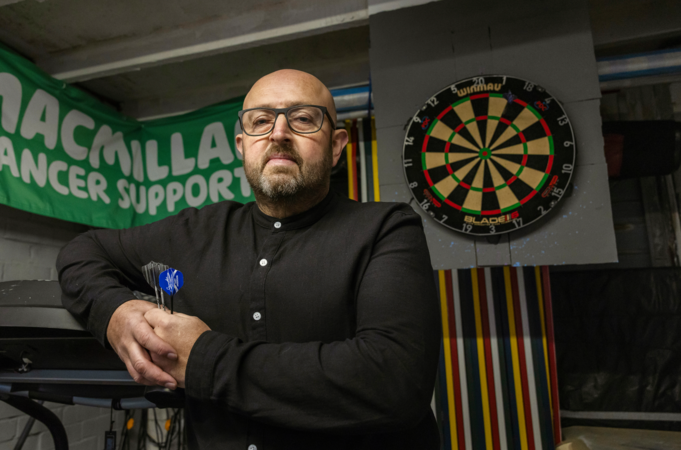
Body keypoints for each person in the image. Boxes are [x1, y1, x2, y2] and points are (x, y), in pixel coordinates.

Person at [57, 69, 441, 449]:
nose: (278, 133)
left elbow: (395, 380)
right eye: (261, 121)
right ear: (242, 145)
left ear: (336, 145)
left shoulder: (386, 229)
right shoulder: (196, 231)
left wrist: (204, 360)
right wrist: (115, 313)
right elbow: (82, 251)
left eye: (303, 118)